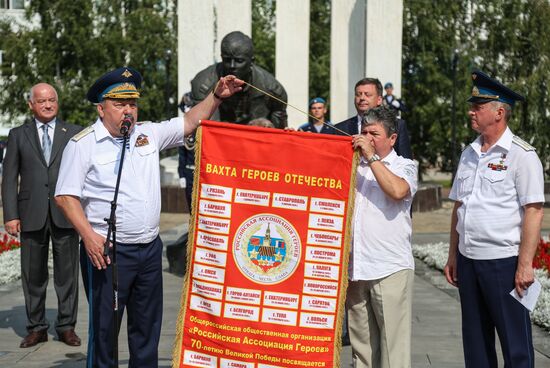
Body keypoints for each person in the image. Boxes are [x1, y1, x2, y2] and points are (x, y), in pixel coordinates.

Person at [54, 67, 243, 367]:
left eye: (132, 104)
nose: (127, 110)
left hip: (148, 250)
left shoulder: (147, 133)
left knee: (147, 332)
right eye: (119, 104)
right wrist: (89, 236)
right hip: (108, 253)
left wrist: (217, 96)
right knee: (104, 334)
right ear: (101, 108)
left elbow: (191, 121)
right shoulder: (83, 144)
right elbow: (65, 196)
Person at [444, 71, 544, 367]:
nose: (470, 112)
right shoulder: (469, 153)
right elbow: (459, 206)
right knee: (476, 347)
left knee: (516, 347)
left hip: (503, 262)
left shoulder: (522, 156)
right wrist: (453, 254)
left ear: (499, 112)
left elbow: (534, 211)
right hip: (469, 260)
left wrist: (525, 264)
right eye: (472, 106)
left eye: (478, 107)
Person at [1, 83, 82, 348]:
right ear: (31, 105)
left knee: (67, 275)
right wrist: (10, 215)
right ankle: (36, 328)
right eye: (42, 101)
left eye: (52, 100)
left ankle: (66, 327)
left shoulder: (74, 133)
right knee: (32, 275)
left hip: (66, 212)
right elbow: (9, 178)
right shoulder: (17, 135)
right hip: (30, 213)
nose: (47, 105)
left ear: (57, 102)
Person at [347, 106, 417, 368]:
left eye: (374, 133)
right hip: (356, 269)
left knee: (392, 350)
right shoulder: (352, 164)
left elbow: (397, 190)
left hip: (389, 268)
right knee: (361, 350)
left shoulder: (404, 165)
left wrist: (372, 157)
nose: (367, 137)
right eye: (364, 132)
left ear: (392, 139)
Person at [190, 31, 288, 128]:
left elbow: (280, 135)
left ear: (251, 61)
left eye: (239, 61)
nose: (232, 66)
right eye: (227, 60)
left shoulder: (273, 90)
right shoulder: (203, 85)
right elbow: (203, 129)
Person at [335, 78, 412, 159]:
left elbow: (406, 161)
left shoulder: (398, 125)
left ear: (379, 100)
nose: (362, 98)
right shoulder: (339, 129)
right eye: (358, 94)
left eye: (367, 95)